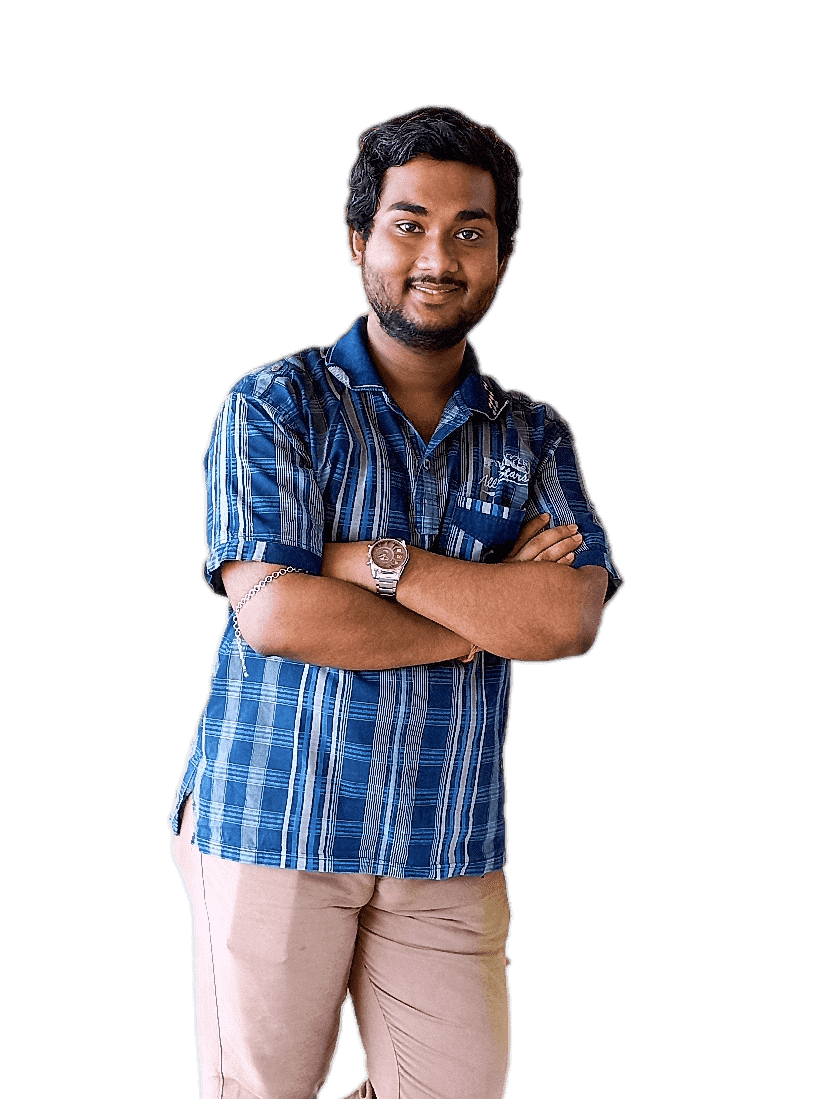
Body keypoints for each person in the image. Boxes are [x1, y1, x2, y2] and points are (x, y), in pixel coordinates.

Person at [169, 104, 623, 1099]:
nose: (438, 257)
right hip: (272, 823)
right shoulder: (274, 405)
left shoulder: (533, 436)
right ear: (357, 240)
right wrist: (483, 617)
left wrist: (378, 563)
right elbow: (278, 617)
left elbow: (565, 620)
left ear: (503, 256)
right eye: (408, 224)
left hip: (444, 835)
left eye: (470, 231)